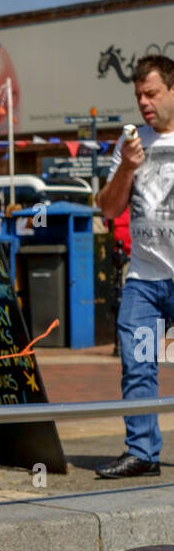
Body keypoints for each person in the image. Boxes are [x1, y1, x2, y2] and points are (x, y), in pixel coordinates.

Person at [96, 54, 174, 478]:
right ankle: (142, 452)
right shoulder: (131, 145)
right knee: (138, 365)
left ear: (173, 91)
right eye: (138, 95)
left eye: (152, 93)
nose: (144, 102)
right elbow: (109, 207)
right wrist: (127, 166)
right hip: (145, 280)